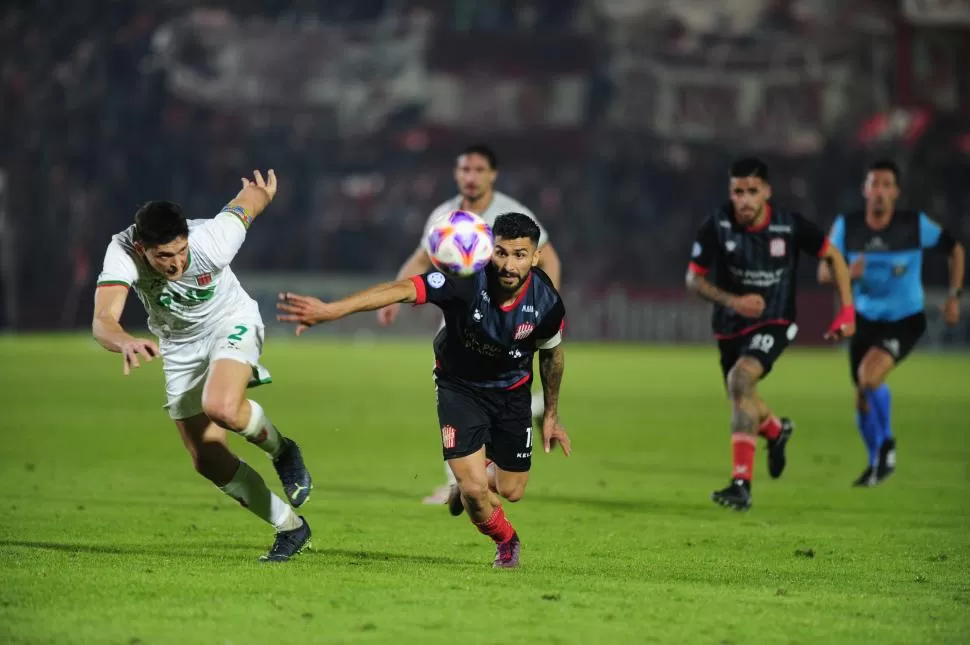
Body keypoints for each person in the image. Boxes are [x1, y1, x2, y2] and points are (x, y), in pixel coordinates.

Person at [279, 213, 570, 568]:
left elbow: (552, 355)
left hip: (512, 393)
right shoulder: (465, 280)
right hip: (459, 389)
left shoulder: (546, 302)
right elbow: (401, 289)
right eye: (501, 253)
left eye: (520, 254)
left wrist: (551, 415)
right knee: (477, 494)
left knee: (512, 490)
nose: (509, 264)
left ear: (536, 256)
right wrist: (331, 310)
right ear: (488, 250)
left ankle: (472, 478)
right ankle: (506, 541)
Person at [92, 170, 313, 562]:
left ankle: (283, 450)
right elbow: (103, 320)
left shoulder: (213, 239)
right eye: (164, 257)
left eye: (181, 251)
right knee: (208, 459)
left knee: (222, 407)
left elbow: (246, 207)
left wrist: (260, 193)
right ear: (142, 248)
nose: (176, 263)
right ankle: (291, 527)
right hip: (178, 346)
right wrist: (123, 340)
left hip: (231, 321)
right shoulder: (122, 251)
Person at [376, 143, 563, 505]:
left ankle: (490, 459)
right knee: (453, 387)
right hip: (461, 318)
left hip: (507, 322)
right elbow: (421, 257)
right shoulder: (444, 216)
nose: (470, 177)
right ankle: (459, 482)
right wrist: (395, 297)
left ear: (492, 174)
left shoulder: (511, 212)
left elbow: (548, 258)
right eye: (464, 169)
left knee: (500, 387)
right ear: (456, 173)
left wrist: (544, 309)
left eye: (478, 170)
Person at [685, 157, 856, 511]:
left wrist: (847, 309)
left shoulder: (789, 226)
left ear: (766, 192)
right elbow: (693, 279)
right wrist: (734, 300)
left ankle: (740, 484)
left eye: (752, 192)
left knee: (740, 378)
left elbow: (834, 257)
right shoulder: (717, 225)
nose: (744, 200)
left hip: (776, 320)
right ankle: (776, 431)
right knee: (742, 396)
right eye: (737, 192)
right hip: (730, 326)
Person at [819, 160, 964, 486]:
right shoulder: (847, 226)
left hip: (905, 320)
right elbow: (822, 272)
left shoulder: (914, 225)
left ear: (896, 192)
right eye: (875, 185)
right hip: (864, 319)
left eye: (887, 185)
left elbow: (955, 250)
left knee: (869, 377)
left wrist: (954, 295)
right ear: (865, 190)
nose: (880, 192)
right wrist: (845, 273)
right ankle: (876, 466)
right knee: (861, 394)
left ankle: (887, 445)